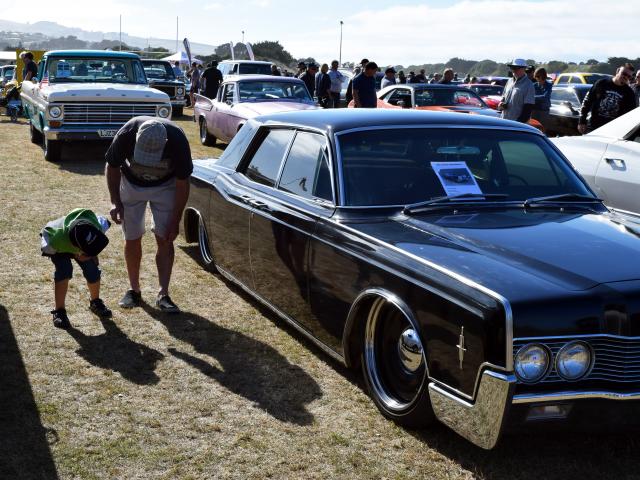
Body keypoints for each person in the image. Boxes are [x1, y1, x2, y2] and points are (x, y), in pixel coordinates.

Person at [105, 118, 193, 313]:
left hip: (165, 187)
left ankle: (164, 294)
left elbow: (182, 184)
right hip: (131, 185)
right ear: (136, 139)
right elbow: (112, 166)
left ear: (165, 145)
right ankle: (134, 290)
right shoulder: (126, 134)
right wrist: (115, 201)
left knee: (165, 238)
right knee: (132, 236)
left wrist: (175, 220)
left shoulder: (178, 142)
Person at [40, 208, 112, 329]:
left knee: (92, 270)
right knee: (64, 270)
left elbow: (95, 237)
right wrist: (74, 254)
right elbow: (47, 248)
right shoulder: (53, 241)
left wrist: (93, 254)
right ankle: (59, 311)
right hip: (59, 246)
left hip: (76, 243)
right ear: (77, 248)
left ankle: (95, 302)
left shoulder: (97, 226)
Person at [578, 65, 637, 134]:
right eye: (624, 73)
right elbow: (587, 101)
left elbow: (630, 115)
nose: (626, 77)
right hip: (593, 127)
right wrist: (581, 121)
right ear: (617, 71)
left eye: (629, 76)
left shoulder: (629, 93)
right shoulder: (601, 83)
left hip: (613, 131)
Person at [498, 58, 535, 123]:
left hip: (517, 124)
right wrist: (501, 104)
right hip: (504, 120)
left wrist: (518, 124)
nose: (514, 70)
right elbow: (503, 98)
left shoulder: (529, 85)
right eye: (512, 68)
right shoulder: (509, 81)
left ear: (524, 69)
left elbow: (528, 109)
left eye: (517, 68)